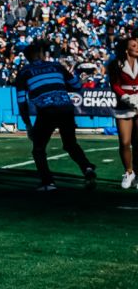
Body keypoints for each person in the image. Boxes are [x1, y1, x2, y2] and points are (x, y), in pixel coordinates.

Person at [15, 41, 97, 191]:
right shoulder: (57, 66)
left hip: (47, 110)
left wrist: (27, 124)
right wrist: (79, 81)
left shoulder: (24, 72)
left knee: (38, 149)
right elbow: (77, 86)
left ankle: (48, 182)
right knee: (70, 144)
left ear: (27, 57)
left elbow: (21, 101)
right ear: (41, 53)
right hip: (65, 107)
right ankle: (87, 168)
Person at [105, 36, 138, 189]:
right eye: (134, 45)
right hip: (124, 105)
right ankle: (128, 172)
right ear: (126, 49)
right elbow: (115, 85)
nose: (137, 47)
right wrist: (126, 97)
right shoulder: (115, 64)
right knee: (125, 142)